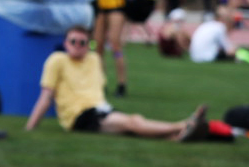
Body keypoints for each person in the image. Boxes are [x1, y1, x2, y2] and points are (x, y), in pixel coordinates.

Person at [25, 25, 208, 141]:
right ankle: (183, 125)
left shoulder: (93, 59)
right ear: (65, 43)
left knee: (133, 126)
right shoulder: (57, 60)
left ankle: (176, 137)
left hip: (100, 108)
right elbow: (46, 96)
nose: (78, 45)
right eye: (73, 41)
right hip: (79, 115)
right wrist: (30, 127)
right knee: (132, 122)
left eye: (83, 42)